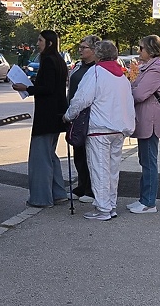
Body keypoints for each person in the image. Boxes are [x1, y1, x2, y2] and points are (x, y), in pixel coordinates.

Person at [63, 41, 135, 220]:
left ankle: (103, 208)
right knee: (112, 170)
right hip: (119, 128)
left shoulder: (95, 72)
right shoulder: (122, 76)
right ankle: (110, 204)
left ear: (98, 54)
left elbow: (81, 99)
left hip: (100, 128)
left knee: (99, 169)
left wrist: (68, 115)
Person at [12, 30, 69, 207]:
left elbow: (48, 88)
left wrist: (27, 88)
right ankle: (58, 193)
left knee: (40, 158)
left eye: (40, 40)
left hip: (46, 116)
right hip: (57, 115)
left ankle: (41, 198)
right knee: (50, 156)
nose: (37, 43)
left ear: (49, 43)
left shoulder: (49, 61)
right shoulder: (59, 60)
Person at [128, 35, 160, 214]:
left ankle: (148, 202)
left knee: (149, 161)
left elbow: (139, 94)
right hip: (147, 118)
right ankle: (144, 198)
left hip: (150, 120)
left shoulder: (156, 70)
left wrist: (129, 90)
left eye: (141, 48)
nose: (138, 51)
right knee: (145, 159)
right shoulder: (150, 68)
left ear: (150, 50)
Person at [68, 35, 101, 204]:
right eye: (80, 47)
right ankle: (81, 185)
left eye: (84, 47)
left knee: (90, 154)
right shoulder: (79, 66)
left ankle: (91, 188)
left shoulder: (97, 69)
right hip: (75, 115)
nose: (80, 50)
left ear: (94, 50)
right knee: (78, 152)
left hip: (89, 115)